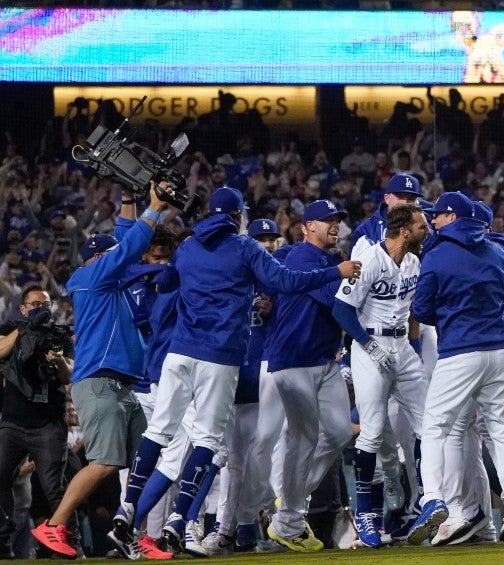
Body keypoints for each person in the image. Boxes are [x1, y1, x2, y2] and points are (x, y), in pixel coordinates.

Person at [109, 191, 358, 558]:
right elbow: (286, 282)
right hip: (220, 355)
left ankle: (125, 510)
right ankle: (180, 521)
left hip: (179, 353)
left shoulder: (189, 246)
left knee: (159, 431)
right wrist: (335, 271)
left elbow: (166, 283)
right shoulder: (245, 248)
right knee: (208, 442)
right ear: (238, 215)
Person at [31, 182, 172, 559]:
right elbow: (128, 248)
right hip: (98, 384)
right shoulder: (91, 278)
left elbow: (125, 241)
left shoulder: (111, 281)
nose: (120, 260)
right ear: (97, 258)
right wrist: (154, 207)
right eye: (111, 256)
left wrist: (129, 199)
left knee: (151, 461)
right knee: (106, 463)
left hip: (122, 386)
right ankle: (54, 525)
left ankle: (134, 532)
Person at [408, 191, 504, 547]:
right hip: (499, 352)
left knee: (434, 426)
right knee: (500, 431)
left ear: (452, 218)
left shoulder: (437, 255)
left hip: (459, 352)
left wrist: (451, 314)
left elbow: (421, 311)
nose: (432, 221)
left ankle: (433, 498)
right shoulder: (500, 252)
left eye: (437, 216)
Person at [330, 204, 430, 548]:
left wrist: (412, 350)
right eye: (421, 226)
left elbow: (413, 310)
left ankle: (428, 499)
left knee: (429, 425)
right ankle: (367, 514)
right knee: (371, 432)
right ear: (404, 231)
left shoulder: (415, 261)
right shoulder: (369, 260)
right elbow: (340, 309)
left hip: (402, 345)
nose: (426, 231)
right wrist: (368, 345)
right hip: (369, 343)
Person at [262, 199, 359, 553]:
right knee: (302, 437)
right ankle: (287, 514)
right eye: (325, 220)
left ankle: (286, 505)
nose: (333, 225)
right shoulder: (303, 257)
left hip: (324, 359)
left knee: (335, 432)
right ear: (307, 227)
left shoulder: (334, 261)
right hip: (293, 360)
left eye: (337, 220)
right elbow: (337, 302)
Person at [193, 218, 282, 555]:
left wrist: (275, 308)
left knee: (274, 459)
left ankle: (279, 526)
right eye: (261, 239)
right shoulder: (232, 280)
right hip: (237, 381)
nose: (268, 244)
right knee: (235, 463)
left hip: (271, 382)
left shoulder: (279, 281)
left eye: (272, 239)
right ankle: (227, 530)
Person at [0, 285, 74, 549]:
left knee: (54, 487)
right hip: (13, 422)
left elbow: (68, 379)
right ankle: (3, 540)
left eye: (44, 304)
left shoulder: (59, 334)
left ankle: (68, 541)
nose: (40, 308)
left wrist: (58, 362)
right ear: (23, 308)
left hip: (48, 423)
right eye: (34, 304)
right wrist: (24, 329)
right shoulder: (10, 328)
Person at [350, 173, 422, 257]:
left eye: (411, 199)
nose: (405, 202)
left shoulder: (425, 229)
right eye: (400, 197)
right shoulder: (366, 230)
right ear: (386, 198)